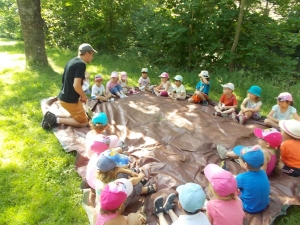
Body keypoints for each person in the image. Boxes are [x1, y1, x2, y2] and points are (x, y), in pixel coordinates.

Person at [41, 43, 97, 129]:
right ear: (87, 53)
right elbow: (76, 85)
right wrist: (83, 96)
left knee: (76, 116)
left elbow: (67, 80)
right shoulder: (81, 64)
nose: (92, 57)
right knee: (84, 122)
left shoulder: (72, 61)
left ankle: (50, 115)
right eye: (92, 54)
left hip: (62, 97)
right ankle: (55, 119)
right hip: (69, 101)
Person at [85, 112, 127, 189]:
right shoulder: (105, 156)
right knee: (120, 149)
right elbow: (114, 144)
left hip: (90, 181)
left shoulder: (89, 135)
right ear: (105, 126)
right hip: (100, 184)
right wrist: (119, 148)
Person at [217, 128, 282, 176]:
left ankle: (226, 154)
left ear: (267, 144)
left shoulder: (265, 153)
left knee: (243, 151)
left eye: (260, 138)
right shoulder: (274, 150)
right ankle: (241, 156)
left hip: (256, 171)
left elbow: (262, 171)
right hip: (265, 170)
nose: (258, 138)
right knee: (256, 146)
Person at [233, 145, 270, 213]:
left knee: (231, 193)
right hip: (264, 204)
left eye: (240, 158)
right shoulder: (263, 173)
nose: (238, 158)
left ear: (245, 164)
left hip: (249, 207)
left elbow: (232, 185)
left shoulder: (241, 178)